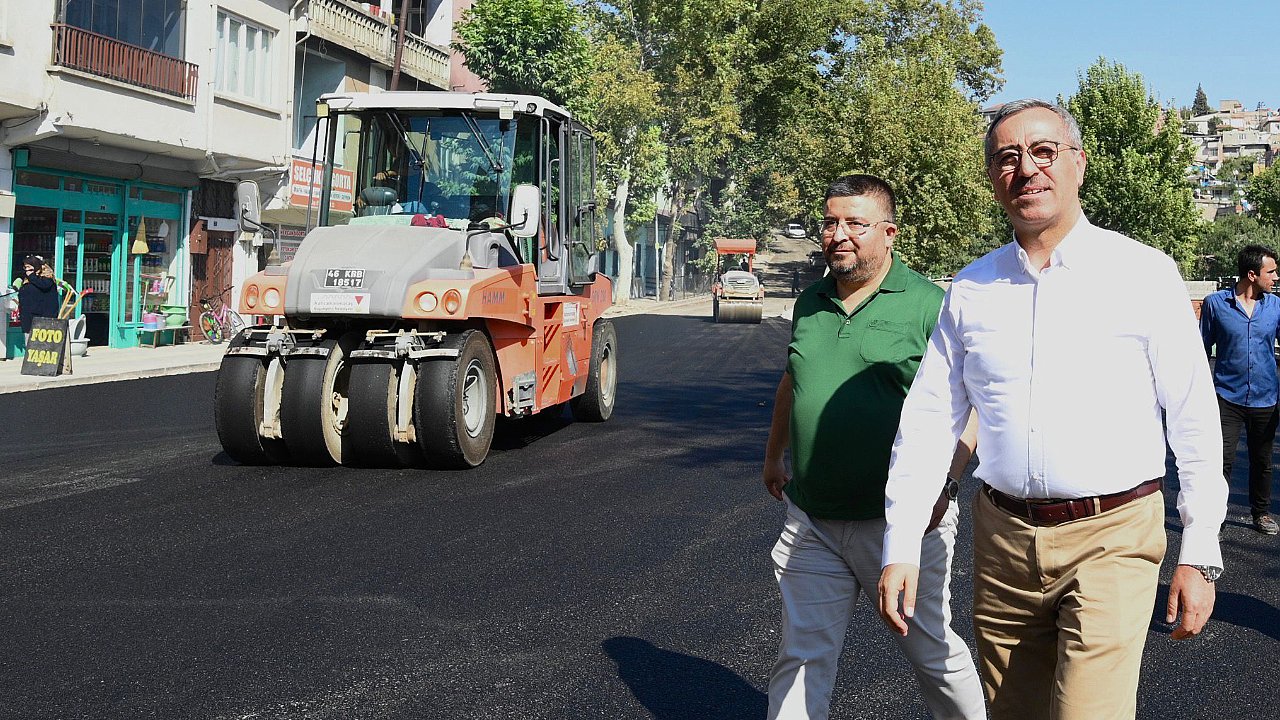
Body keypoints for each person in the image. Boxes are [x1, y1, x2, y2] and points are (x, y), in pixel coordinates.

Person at [877, 99, 1227, 720]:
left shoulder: (1143, 275)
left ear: (1078, 164)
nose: (1027, 169)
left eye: (1044, 151)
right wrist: (901, 541)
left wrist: (1199, 550)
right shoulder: (971, 289)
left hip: (1113, 537)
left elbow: (1194, 420)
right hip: (1003, 544)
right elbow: (930, 420)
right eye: (1007, 158)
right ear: (993, 178)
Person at [763, 174, 985, 720]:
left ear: (889, 233)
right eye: (830, 222)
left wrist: (947, 485)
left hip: (903, 524)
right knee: (802, 656)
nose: (838, 234)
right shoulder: (810, 302)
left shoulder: (930, 305)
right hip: (813, 519)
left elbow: (973, 406)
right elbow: (794, 379)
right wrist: (773, 455)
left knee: (932, 653)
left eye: (855, 224)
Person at [1200, 244, 1280, 535]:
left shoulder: (1276, 306)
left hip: (1265, 397)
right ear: (1252, 274)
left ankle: (1261, 513)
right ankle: (1216, 517)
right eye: (1271, 271)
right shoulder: (1215, 304)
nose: (1275, 277)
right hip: (1227, 397)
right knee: (1221, 461)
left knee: (1262, 461)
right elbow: (1201, 350)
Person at [13, 255, 60, 344]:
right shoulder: (28, 280)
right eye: (25, 267)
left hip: (43, 320)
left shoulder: (46, 279)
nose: (27, 270)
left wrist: (32, 276)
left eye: (29, 267)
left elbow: (43, 286)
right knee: (29, 345)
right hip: (28, 318)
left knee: (42, 346)